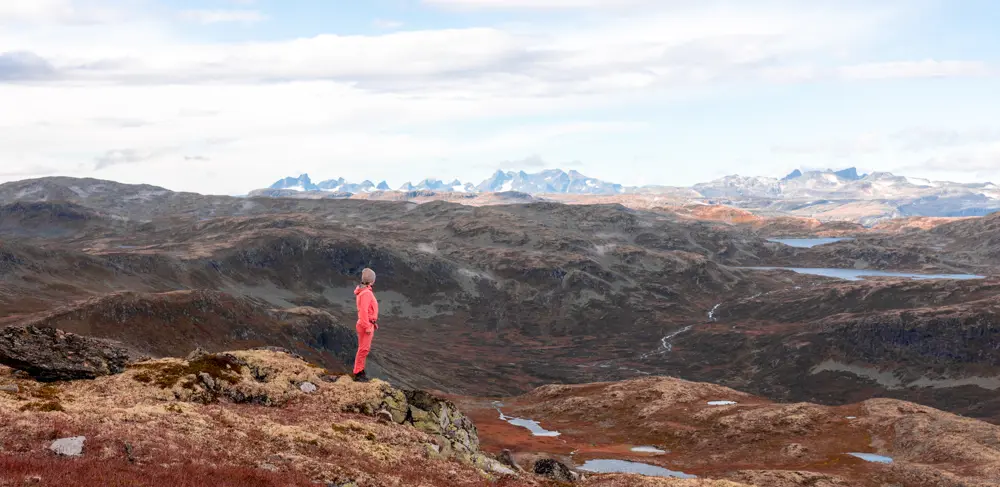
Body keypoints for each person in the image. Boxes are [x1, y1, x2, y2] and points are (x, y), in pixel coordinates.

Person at [353, 267, 379, 382]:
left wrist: (372, 323)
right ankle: (358, 373)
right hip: (365, 325)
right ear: (372, 280)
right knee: (364, 349)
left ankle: (360, 371)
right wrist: (367, 326)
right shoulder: (366, 293)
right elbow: (363, 311)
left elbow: (366, 311)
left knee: (363, 349)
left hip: (367, 323)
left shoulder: (364, 291)